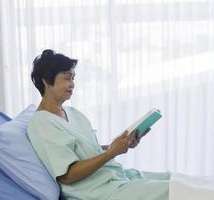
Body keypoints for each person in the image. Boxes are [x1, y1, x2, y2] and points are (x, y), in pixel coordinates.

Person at [28, 49, 170, 200]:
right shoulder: (41, 123)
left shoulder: (74, 114)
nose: (72, 84)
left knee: (176, 179)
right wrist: (112, 153)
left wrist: (119, 144)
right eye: (67, 78)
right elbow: (67, 175)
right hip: (97, 192)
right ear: (46, 81)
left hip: (116, 177)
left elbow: (86, 151)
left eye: (73, 78)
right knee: (175, 191)